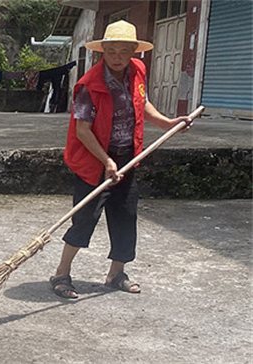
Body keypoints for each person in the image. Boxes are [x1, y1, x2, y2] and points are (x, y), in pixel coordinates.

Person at [50, 20, 191, 298]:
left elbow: (142, 103)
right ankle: (61, 274)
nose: (117, 57)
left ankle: (116, 273)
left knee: (125, 215)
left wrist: (168, 123)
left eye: (123, 51)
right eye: (111, 51)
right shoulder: (88, 85)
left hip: (128, 156)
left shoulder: (138, 71)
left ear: (133, 52)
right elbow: (82, 130)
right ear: (102, 50)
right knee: (85, 218)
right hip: (93, 161)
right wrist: (106, 161)